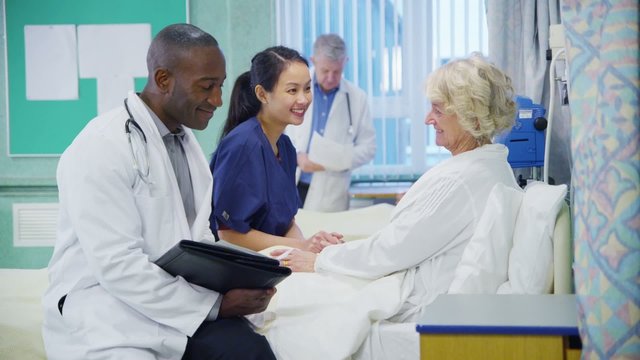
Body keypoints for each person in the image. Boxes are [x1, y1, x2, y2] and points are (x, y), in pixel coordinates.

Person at [42, 24, 277, 359]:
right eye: (206, 87)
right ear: (164, 80)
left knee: (249, 350)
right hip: (108, 311)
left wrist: (242, 276)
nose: (218, 100)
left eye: (220, 86)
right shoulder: (101, 146)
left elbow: (192, 241)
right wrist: (215, 305)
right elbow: (118, 265)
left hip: (174, 305)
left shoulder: (183, 143)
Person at [274, 54, 521, 320]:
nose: (428, 119)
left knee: (287, 306)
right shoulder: (490, 168)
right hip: (406, 278)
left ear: (471, 119)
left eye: (437, 110)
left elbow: (390, 250)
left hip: (411, 301)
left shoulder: (460, 180)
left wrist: (320, 261)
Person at [210, 46, 343, 253]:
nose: (303, 99)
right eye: (292, 90)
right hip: (240, 269)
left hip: (274, 262)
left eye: (307, 88)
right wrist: (301, 245)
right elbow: (227, 233)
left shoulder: (286, 148)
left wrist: (308, 249)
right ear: (263, 94)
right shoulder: (243, 145)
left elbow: (286, 222)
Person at [287, 34, 376, 212]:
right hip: (292, 184)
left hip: (331, 194)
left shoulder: (357, 98)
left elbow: (369, 149)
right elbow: (277, 132)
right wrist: (296, 156)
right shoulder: (292, 89)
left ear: (345, 62)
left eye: (337, 72)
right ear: (313, 61)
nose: (330, 77)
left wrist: (334, 160)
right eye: (325, 70)